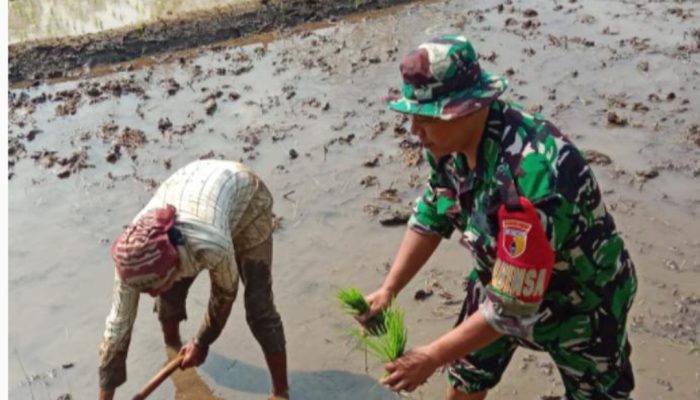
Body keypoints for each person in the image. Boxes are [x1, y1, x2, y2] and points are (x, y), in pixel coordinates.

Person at [359, 34, 637, 399]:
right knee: (465, 380)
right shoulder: (447, 146)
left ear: (467, 108)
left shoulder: (533, 177)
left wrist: (431, 355)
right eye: (412, 115)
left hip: (581, 304)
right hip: (498, 281)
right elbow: (433, 211)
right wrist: (389, 289)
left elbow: (512, 307)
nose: (415, 131)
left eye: (426, 117)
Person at [98, 159, 289, 400]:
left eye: (154, 286)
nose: (152, 294)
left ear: (174, 261)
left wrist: (201, 342)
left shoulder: (210, 245)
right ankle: (174, 346)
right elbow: (117, 329)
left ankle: (281, 392)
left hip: (246, 199)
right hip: (193, 190)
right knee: (169, 294)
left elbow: (224, 296)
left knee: (259, 306)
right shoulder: (130, 259)